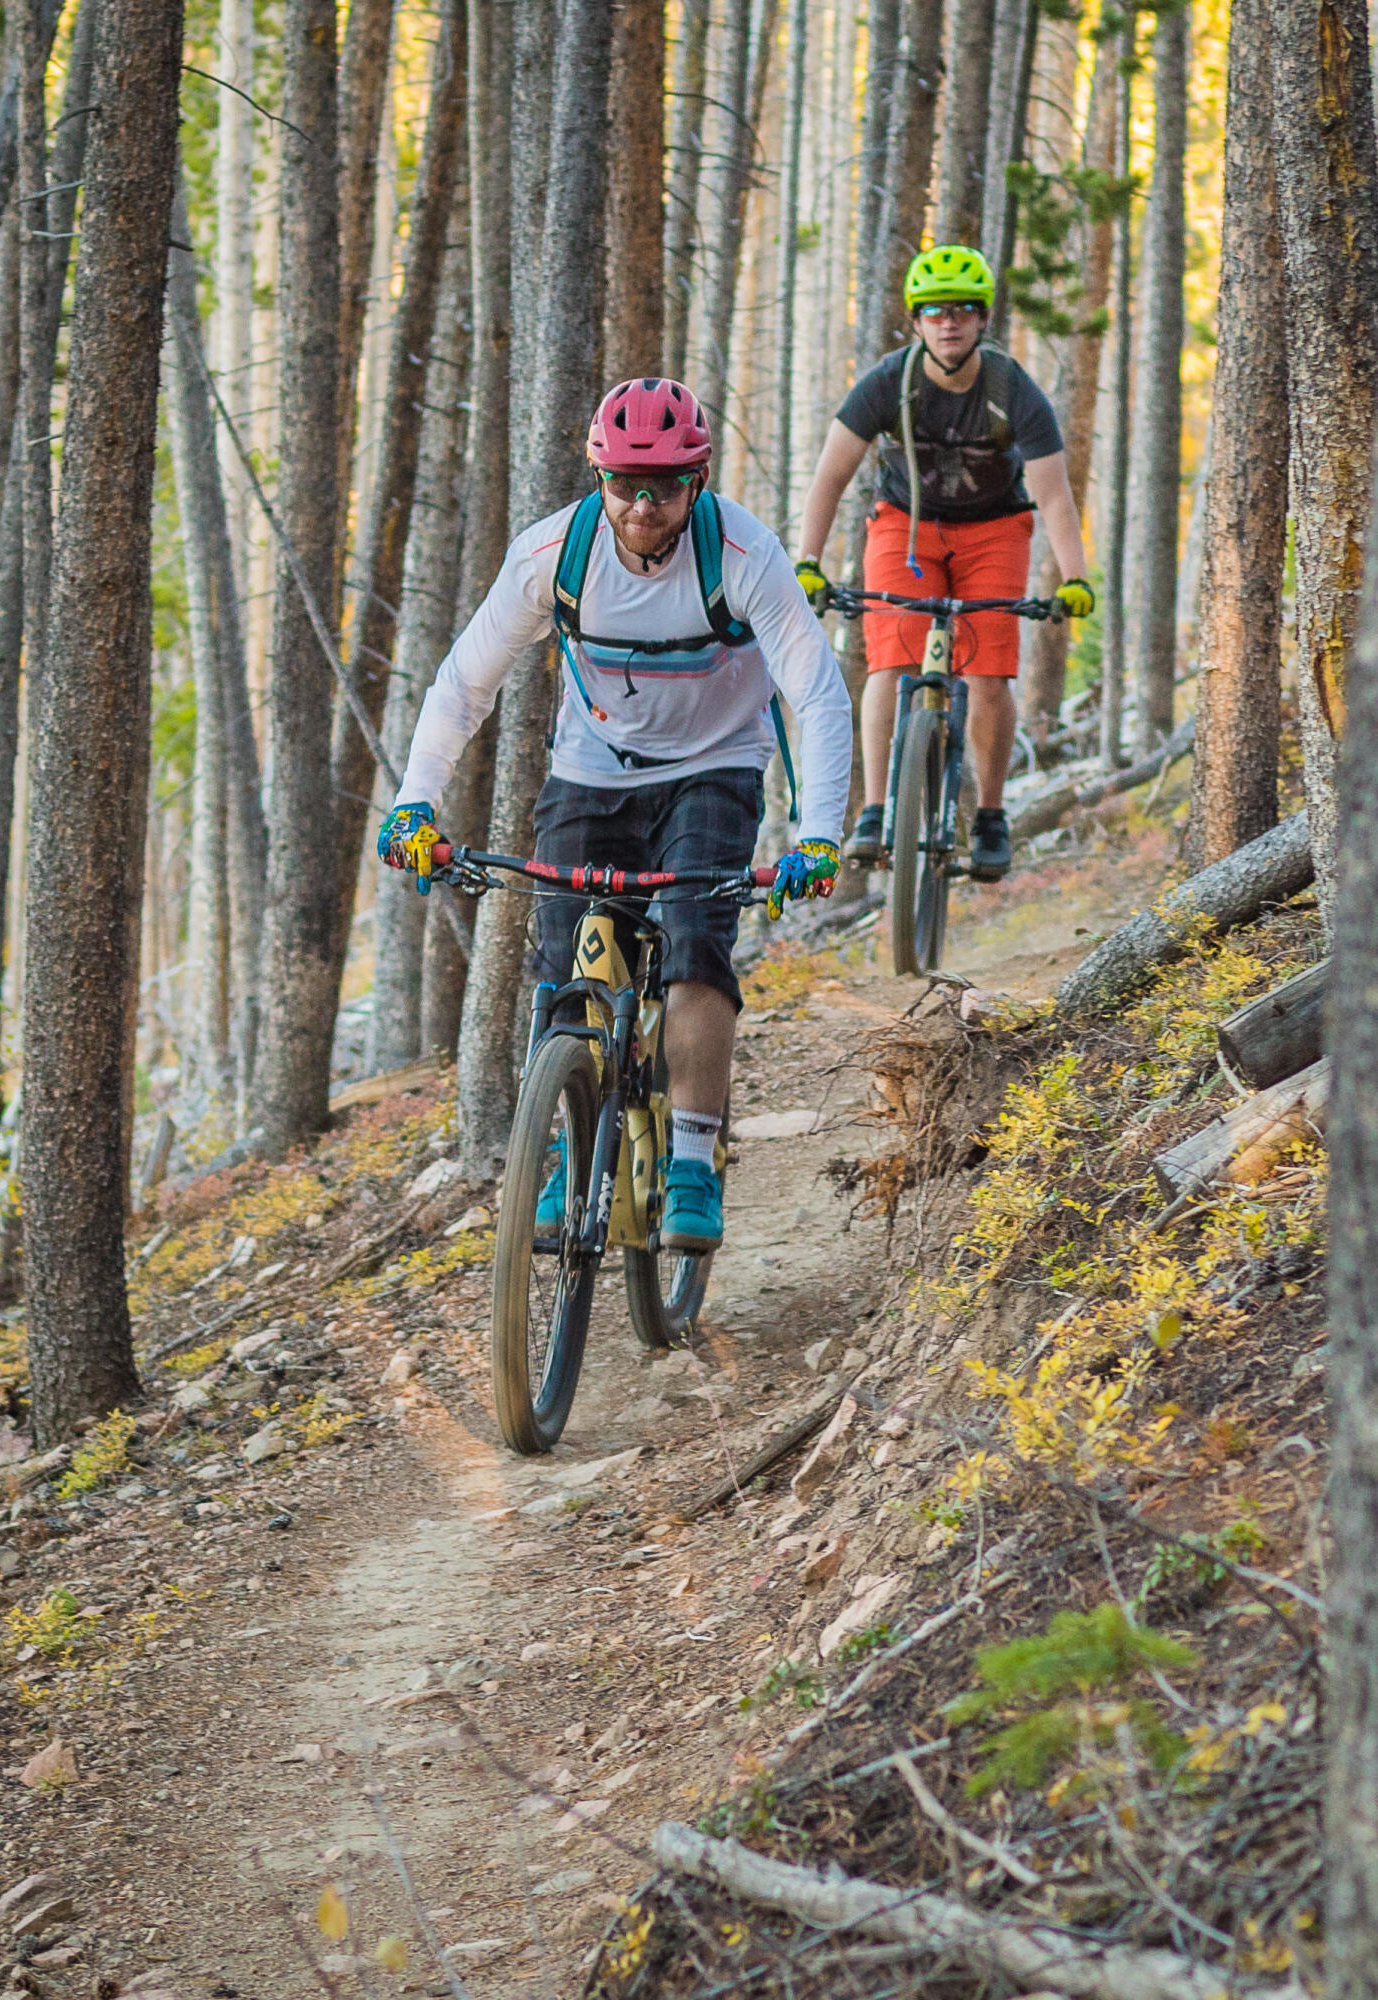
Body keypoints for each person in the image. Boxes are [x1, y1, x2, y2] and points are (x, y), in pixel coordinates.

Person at [374, 378, 850, 1252]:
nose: (641, 503)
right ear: (599, 476)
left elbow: (815, 695)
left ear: (696, 482)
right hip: (592, 769)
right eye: (625, 482)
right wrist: (415, 802)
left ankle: (694, 1161)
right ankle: (565, 1148)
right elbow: (464, 682)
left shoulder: (744, 555)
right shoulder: (555, 554)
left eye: (663, 485)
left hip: (716, 764)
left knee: (695, 947)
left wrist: (818, 831)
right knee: (563, 971)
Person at [793, 245, 1095, 883]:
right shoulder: (887, 382)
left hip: (995, 531)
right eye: (934, 312)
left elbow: (1053, 493)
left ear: (983, 319)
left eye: (961, 311)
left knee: (989, 674)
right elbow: (831, 475)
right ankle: (876, 811)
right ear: (917, 321)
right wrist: (807, 561)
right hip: (906, 527)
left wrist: (1074, 578)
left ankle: (989, 814)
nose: (948, 323)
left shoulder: (1013, 388)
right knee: (890, 659)